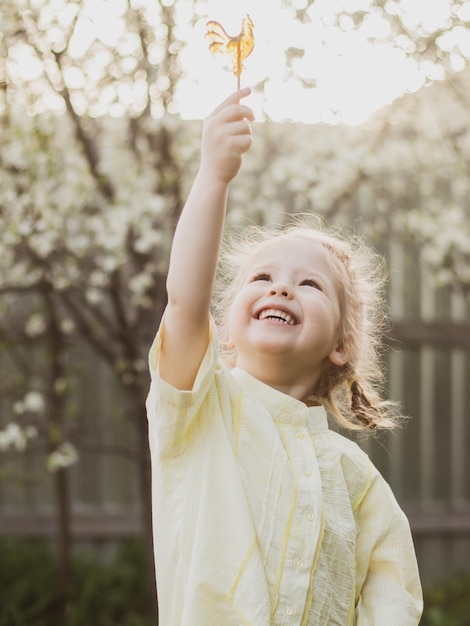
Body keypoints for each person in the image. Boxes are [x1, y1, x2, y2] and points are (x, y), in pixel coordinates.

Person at [146, 88, 423, 625]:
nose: (281, 290)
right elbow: (183, 302)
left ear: (342, 344)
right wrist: (213, 176)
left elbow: (393, 602)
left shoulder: (359, 480)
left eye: (309, 284)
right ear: (225, 329)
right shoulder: (201, 412)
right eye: (263, 278)